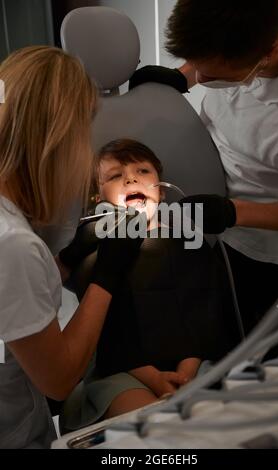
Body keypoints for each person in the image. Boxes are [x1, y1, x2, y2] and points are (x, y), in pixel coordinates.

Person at [0, 46, 142, 449]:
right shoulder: (12, 243)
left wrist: (63, 260)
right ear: (60, 136)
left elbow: (13, 304)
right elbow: (59, 380)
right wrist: (107, 276)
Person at [129, 0, 278, 334]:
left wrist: (234, 213)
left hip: (258, 243)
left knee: (237, 334)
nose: (200, 78)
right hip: (206, 210)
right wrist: (181, 77)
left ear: (268, 54)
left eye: (214, 75)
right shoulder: (251, 19)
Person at [60, 139, 238, 433]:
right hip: (121, 370)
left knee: (214, 421)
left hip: (194, 364)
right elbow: (109, 334)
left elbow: (204, 315)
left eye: (142, 171)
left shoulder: (190, 243)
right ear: (97, 198)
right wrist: (155, 380)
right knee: (156, 428)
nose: (130, 178)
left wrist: (186, 373)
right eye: (116, 175)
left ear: (162, 189)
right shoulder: (97, 253)